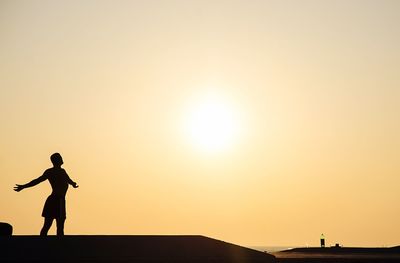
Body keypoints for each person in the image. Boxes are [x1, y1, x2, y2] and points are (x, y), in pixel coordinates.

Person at [14, 153, 78, 236]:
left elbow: (68, 180)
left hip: (58, 200)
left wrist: (73, 184)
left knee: (57, 225)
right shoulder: (52, 172)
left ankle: (55, 245)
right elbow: (37, 181)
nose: (62, 159)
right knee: (52, 225)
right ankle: (46, 244)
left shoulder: (62, 171)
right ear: (56, 160)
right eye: (60, 158)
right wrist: (24, 186)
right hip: (56, 200)